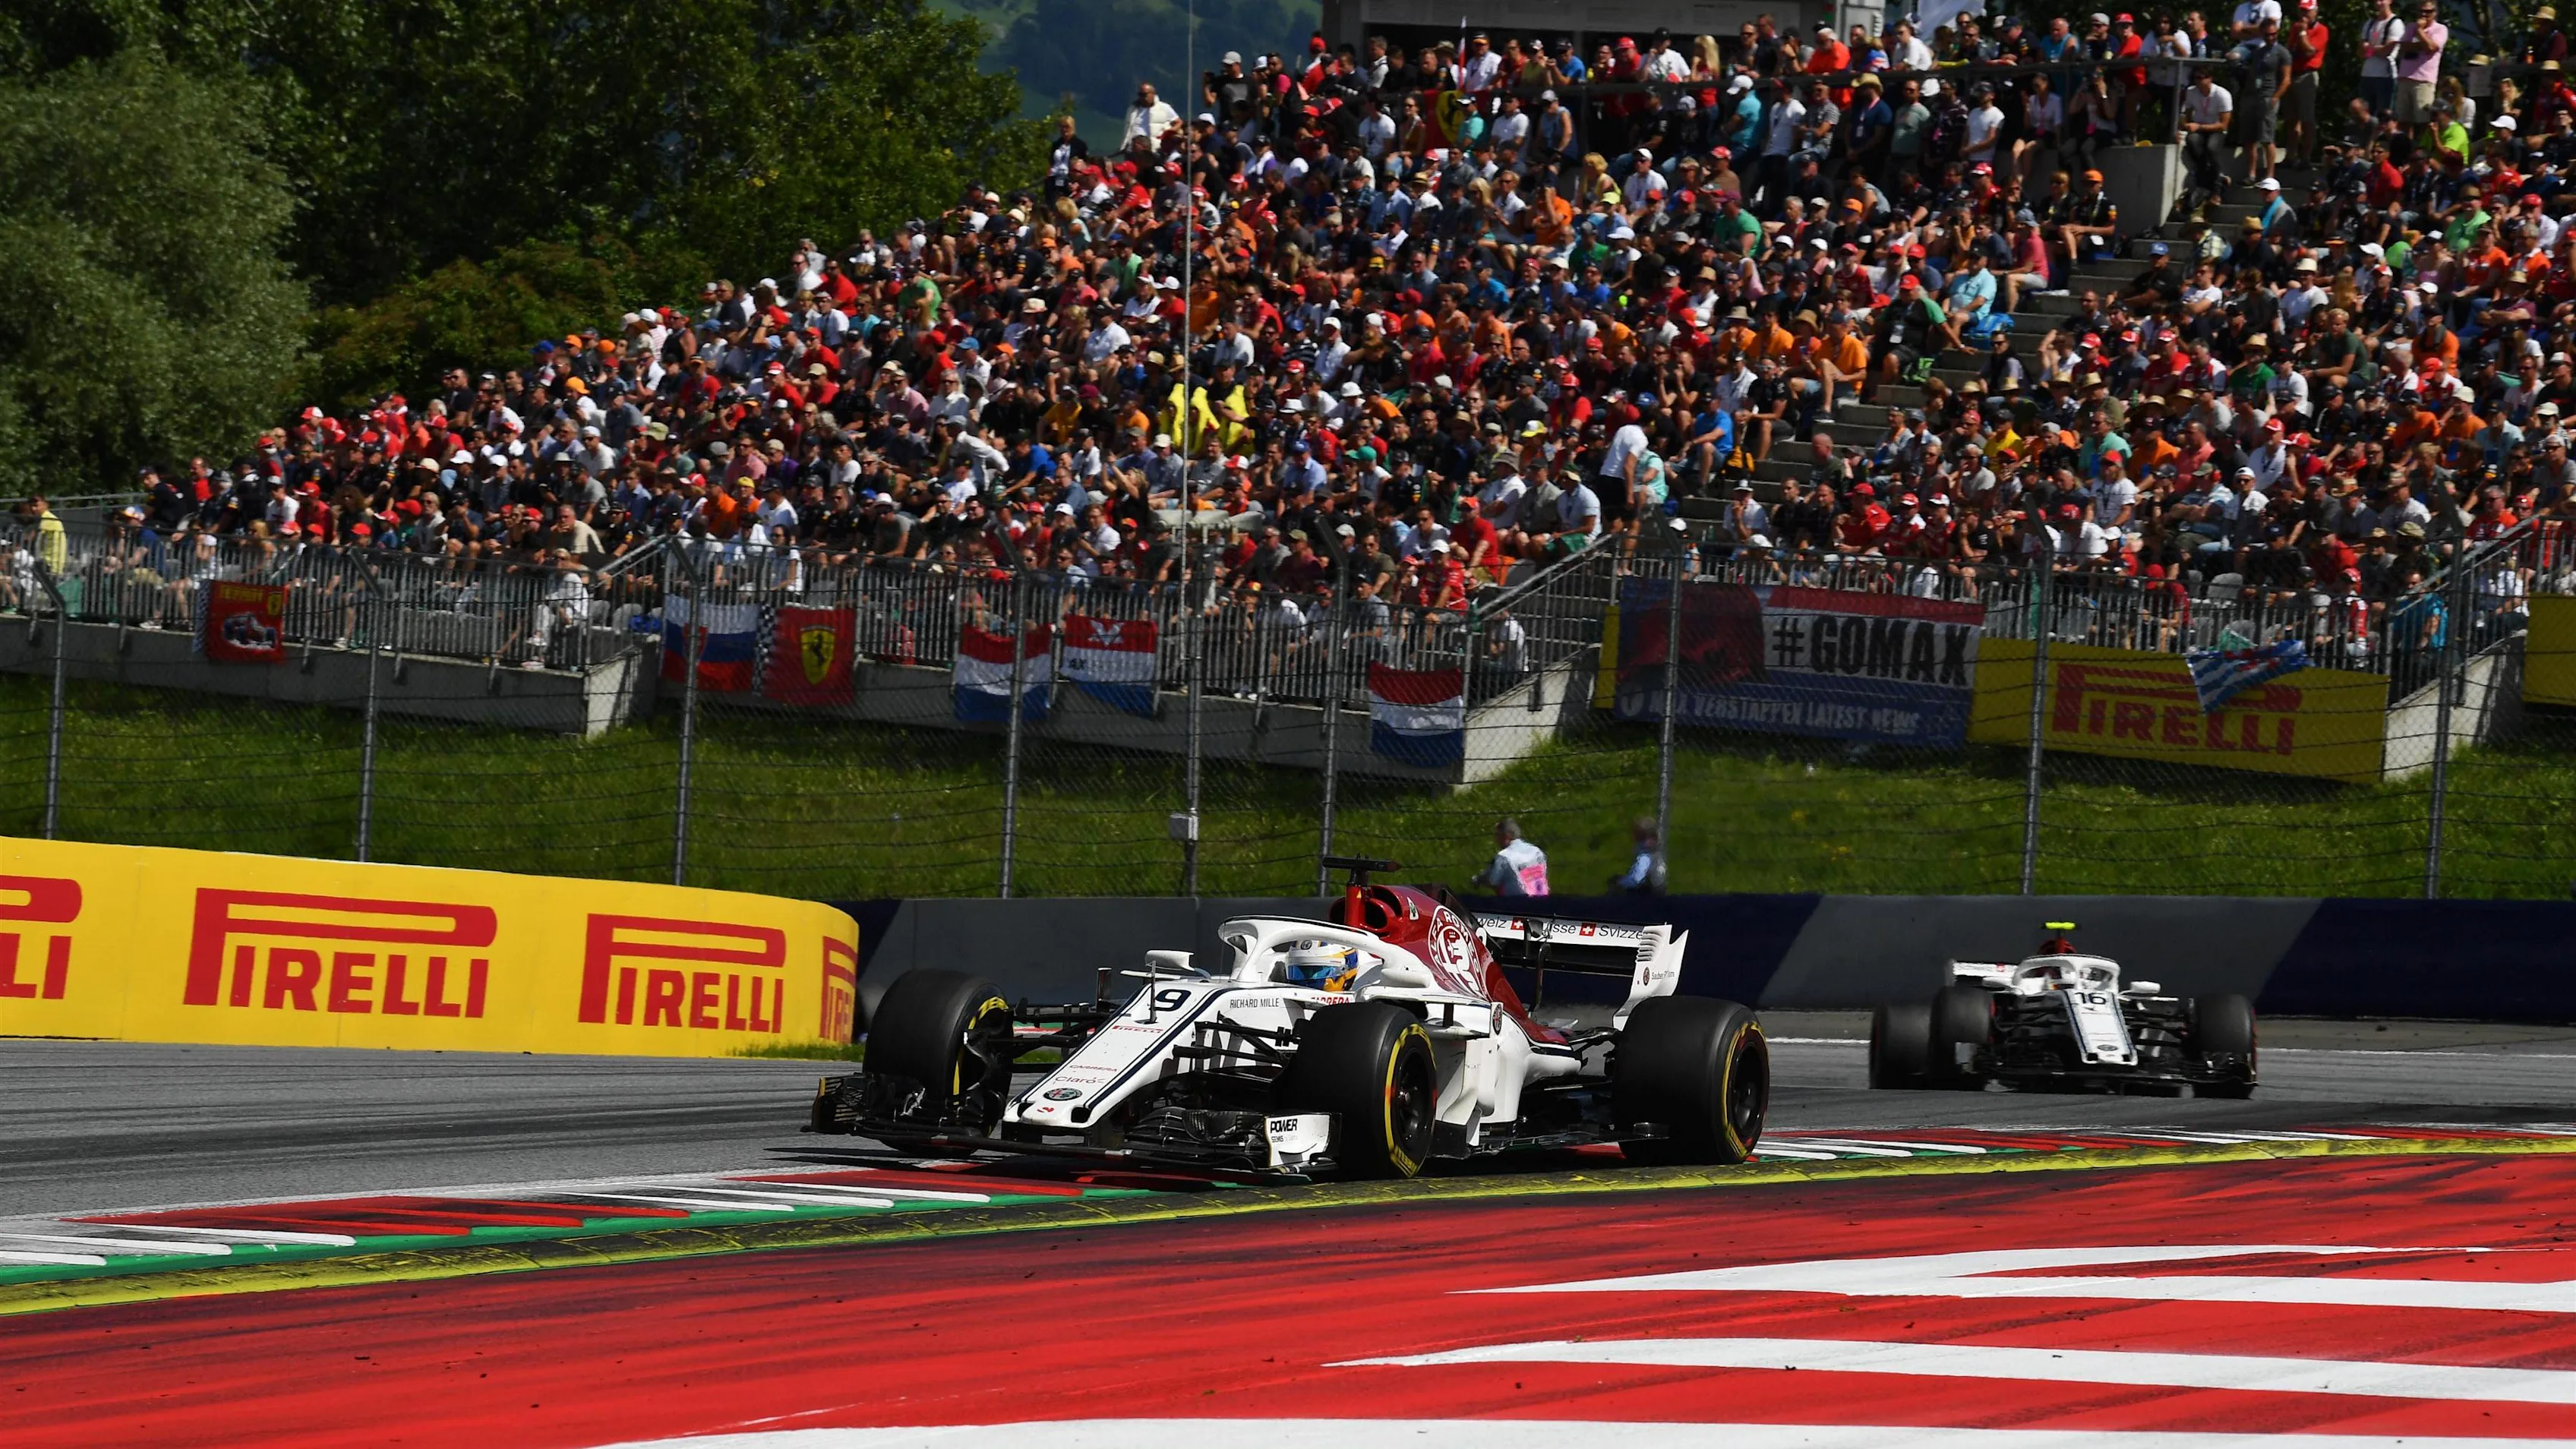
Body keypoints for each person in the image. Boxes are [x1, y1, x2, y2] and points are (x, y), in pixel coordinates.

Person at [1478, 817, 1549, 896]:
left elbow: (1492, 881)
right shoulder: (1537, 851)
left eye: (1497, 835)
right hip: (1543, 899)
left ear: (1507, 837)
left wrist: (1479, 879)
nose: (1496, 840)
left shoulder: (1504, 856)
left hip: (1516, 903)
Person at [1612, 816, 1668, 895]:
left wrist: (1621, 883)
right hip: (1659, 889)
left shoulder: (1645, 856)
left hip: (1647, 893)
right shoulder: (1656, 854)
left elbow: (1637, 878)